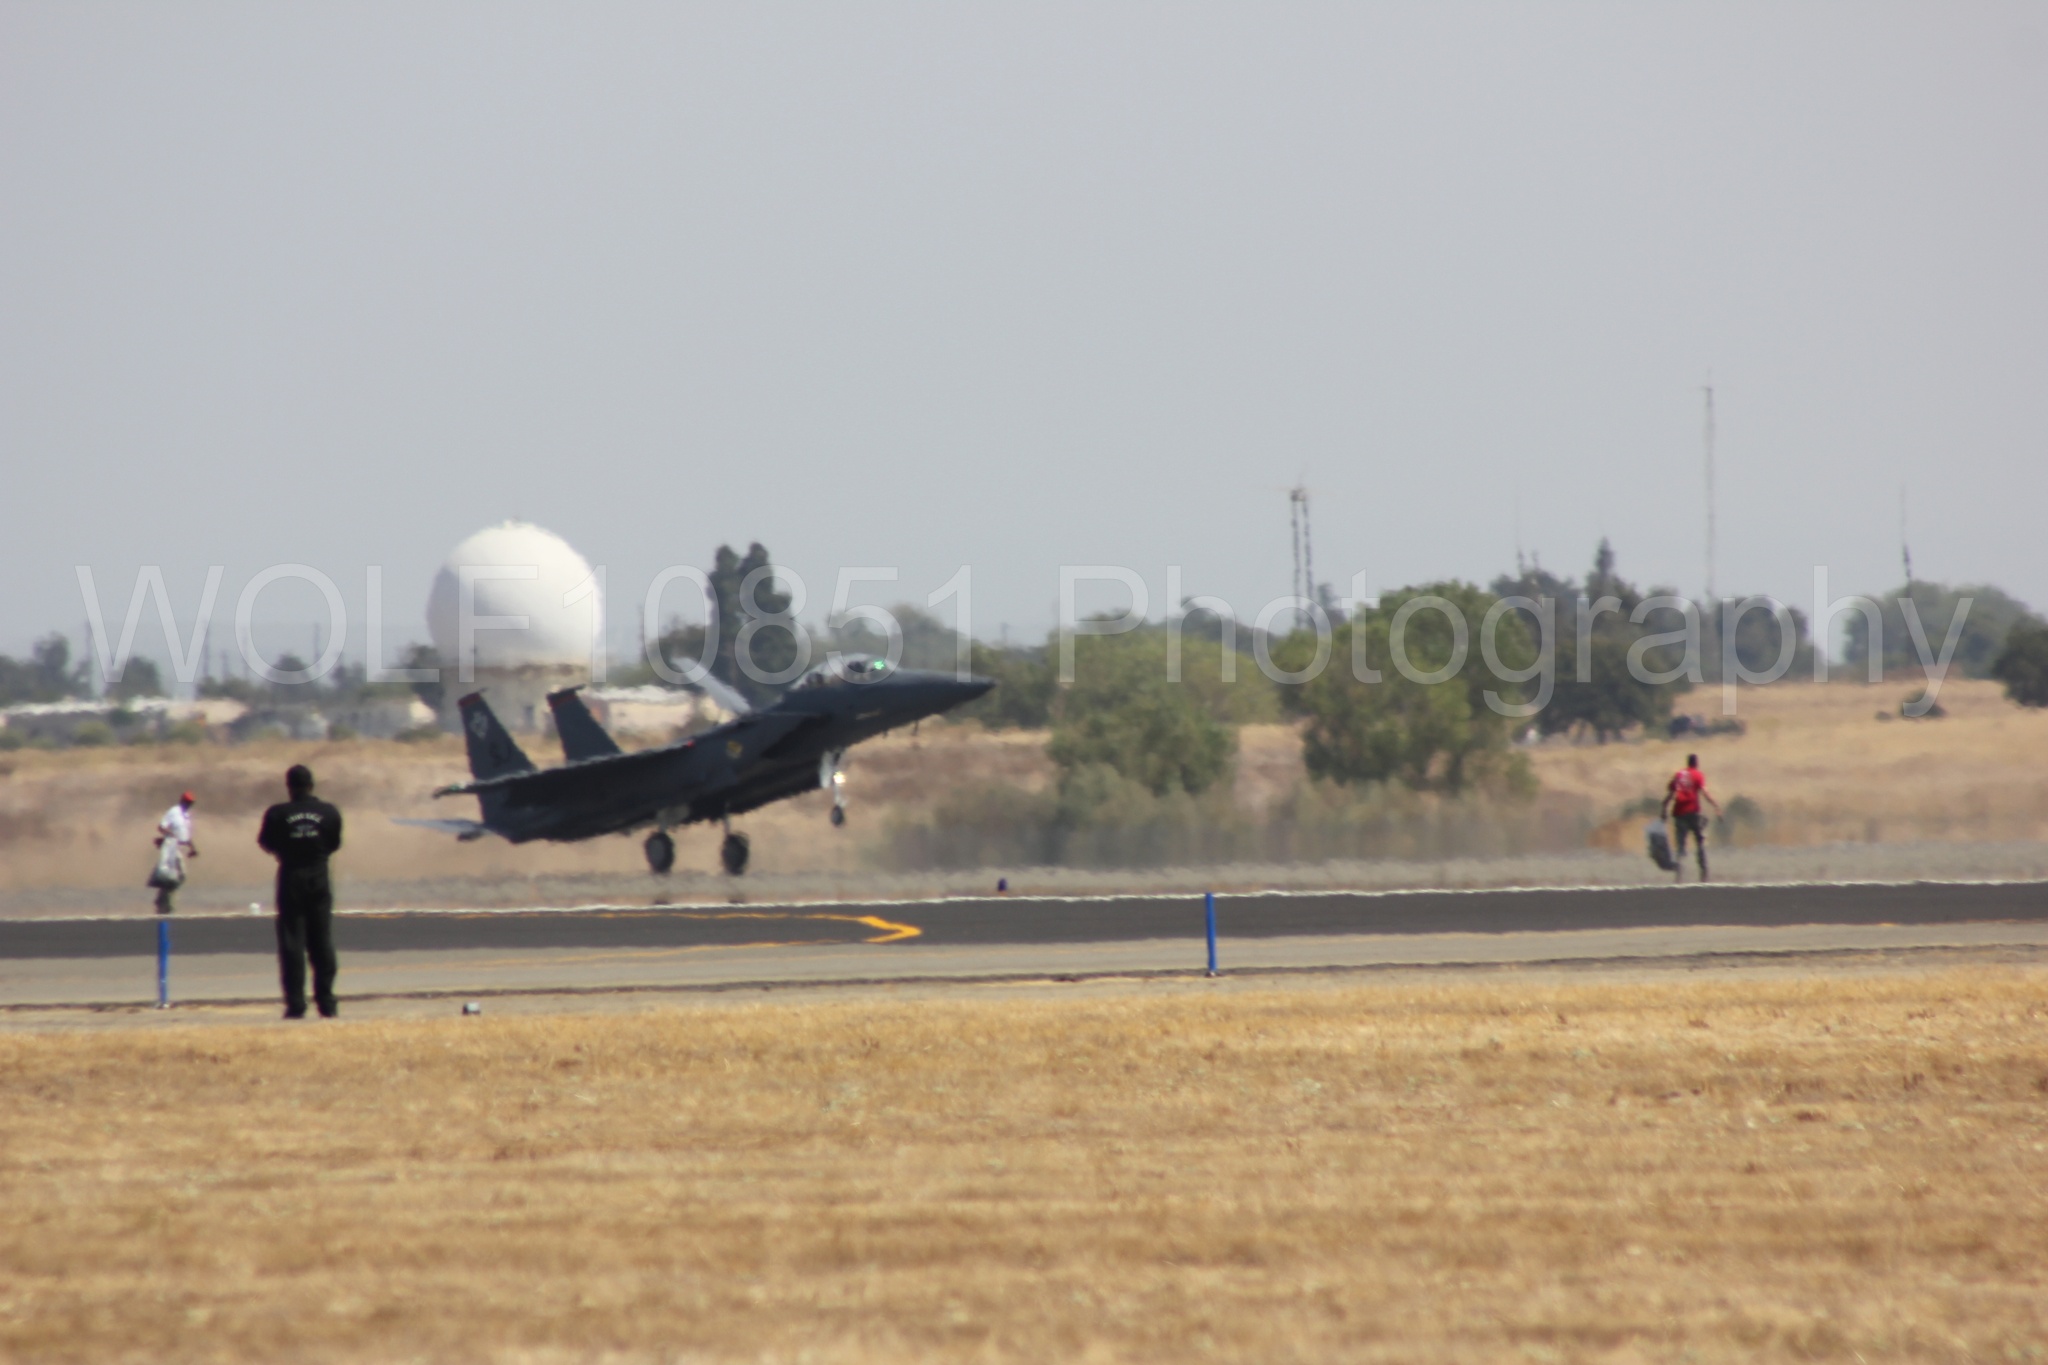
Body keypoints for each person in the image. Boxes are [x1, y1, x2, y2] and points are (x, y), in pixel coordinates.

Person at [257, 765, 344, 1019]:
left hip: (291, 875)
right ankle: (327, 1002)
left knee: (292, 942)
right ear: (311, 785)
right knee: (322, 940)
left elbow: (266, 842)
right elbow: (334, 842)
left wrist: (287, 850)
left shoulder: (277, 814)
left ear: (289, 787)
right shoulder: (329, 812)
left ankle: (296, 1004)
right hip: (319, 876)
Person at [1660, 752, 1723, 883]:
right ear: (1696, 763)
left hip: (1679, 813)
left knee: (1680, 845)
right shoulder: (1698, 775)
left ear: (1687, 762)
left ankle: (1679, 874)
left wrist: (1664, 809)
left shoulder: (1679, 775)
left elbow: (1670, 793)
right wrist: (1716, 806)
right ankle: (1704, 872)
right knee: (1700, 842)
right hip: (1693, 812)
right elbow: (1705, 792)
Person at [148, 791, 198, 915]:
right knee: (177, 875)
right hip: (171, 847)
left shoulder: (186, 816)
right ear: (182, 801)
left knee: (175, 877)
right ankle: (168, 905)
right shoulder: (174, 812)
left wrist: (192, 848)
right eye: (187, 802)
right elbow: (161, 827)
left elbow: (186, 835)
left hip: (180, 848)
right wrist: (170, 836)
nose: (189, 805)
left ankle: (162, 900)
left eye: (190, 803)